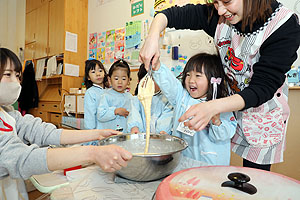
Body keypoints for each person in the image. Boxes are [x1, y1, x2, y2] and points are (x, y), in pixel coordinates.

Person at [139, 0, 300, 170]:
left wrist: (213, 108)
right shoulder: (218, 14)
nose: (221, 10)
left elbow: (263, 87)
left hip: (261, 116)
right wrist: (152, 37)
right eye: (215, 2)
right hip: (226, 107)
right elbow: (170, 15)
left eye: (226, 1)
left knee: (254, 178)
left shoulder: (283, 25)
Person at [0, 48, 132, 199]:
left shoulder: (8, 112)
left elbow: (43, 132)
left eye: (18, 76)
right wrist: (92, 153)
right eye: (8, 74)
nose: (16, 82)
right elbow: (22, 159)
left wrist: (97, 134)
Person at [151, 53, 237, 165]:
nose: (191, 80)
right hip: (183, 163)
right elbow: (169, 83)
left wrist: (216, 121)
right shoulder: (181, 97)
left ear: (213, 79)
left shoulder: (221, 105)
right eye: (188, 75)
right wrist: (157, 66)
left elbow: (224, 135)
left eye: (198, 75)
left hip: (210, 166)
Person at [128, 64, 173, 134]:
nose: (150, 84)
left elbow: (166, 119)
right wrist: (135, 128)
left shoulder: (166, 101)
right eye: (146, 80)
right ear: (139, 82)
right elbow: (134, 116)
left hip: (160, 140)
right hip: (141, 139)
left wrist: (162, 132)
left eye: (154, 79)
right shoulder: (136, 100)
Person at [97, 59, 133, 133]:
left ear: (128, 81)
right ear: (109, 80)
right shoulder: (106, 96)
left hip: (124, 134)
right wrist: (115, 111)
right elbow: (100, 115)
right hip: (109, 134)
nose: (120, 82)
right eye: (116, 78)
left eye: (123, 79)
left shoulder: (130, 97)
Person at [83, 59, 109, 145]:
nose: (98, 74)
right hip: (96, 133)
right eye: (93, 72)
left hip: (107, 130)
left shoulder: (109, 91)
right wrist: (91, 136)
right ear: (88, 77)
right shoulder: (90, 92)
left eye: (100, 71)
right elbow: (89, 116)